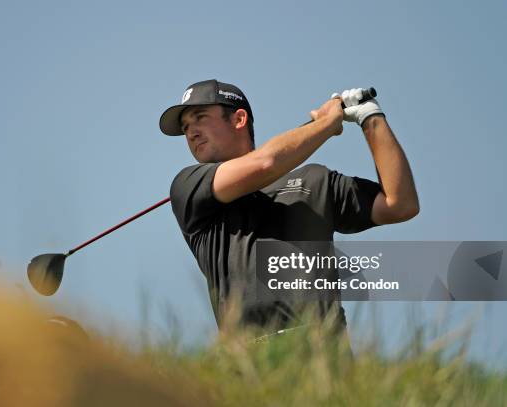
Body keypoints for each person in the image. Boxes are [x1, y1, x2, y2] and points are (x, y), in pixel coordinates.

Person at [159, 79, 419, 337]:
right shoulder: (188, 186)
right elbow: (265, 164)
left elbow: (400, 204)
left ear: (239, 119)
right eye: (185, 127)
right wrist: (327, 124)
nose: (191, 132)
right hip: (248, 361)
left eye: (200, 117)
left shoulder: (315, 180)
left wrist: (370, 117)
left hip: (324, 353)